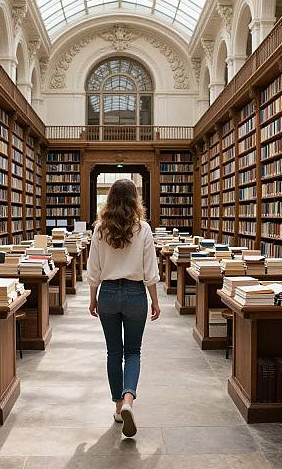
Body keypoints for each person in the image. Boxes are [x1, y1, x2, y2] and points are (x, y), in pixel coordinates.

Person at [87, 178, 161, 438]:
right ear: (135, 200)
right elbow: (150, 271)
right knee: (133, 351)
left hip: (107, 293)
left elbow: (93, 269)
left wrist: (93, 297)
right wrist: (155, 300)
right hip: (134, 294)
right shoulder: (143, 229)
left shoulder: (99, 229)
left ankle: (118, 408)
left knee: (112, 353)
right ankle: (129, 400)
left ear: (110, 199)